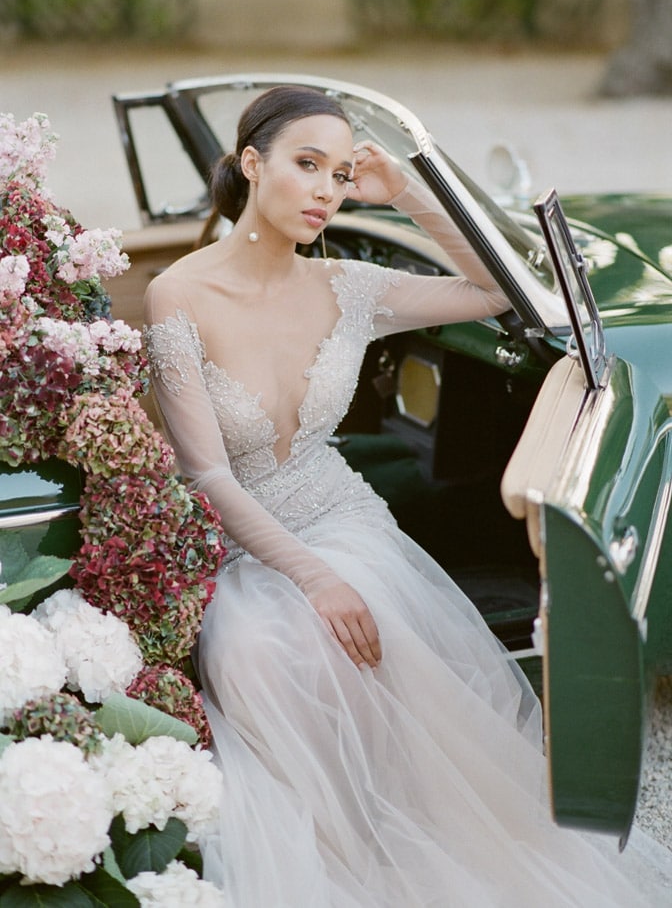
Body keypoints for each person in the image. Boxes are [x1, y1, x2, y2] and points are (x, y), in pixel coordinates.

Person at [143, 85, 671, 906]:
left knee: (377, 633)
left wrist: (413, 192)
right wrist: (314, 578)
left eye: (341, 174)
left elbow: (497, 292)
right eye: (306, 164)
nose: (325, 190)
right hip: (242, 534)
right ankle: (338, 856)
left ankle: (401, 842)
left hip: (341, 513)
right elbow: (208, 475)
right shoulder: (178, 294)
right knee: (258, 653)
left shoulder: (348, 284)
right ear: (252, 164)